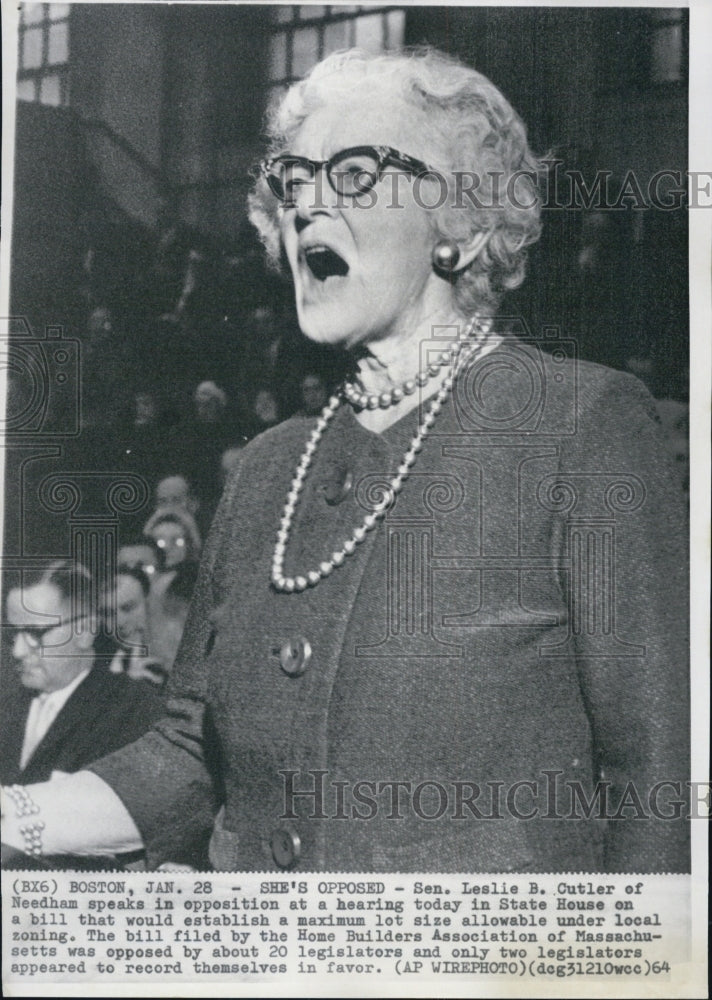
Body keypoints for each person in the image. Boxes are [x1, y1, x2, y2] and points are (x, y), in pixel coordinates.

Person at [1, 48, 688, 873]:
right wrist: (18, 817)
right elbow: (189, 756)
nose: (305, 208)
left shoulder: (579, 426)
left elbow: (657, 771)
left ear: (461, 225)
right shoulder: (266, 471)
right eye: (291, 185)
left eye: (355, 175)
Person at [0, 560, 162, 787]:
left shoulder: (132, 712)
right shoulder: (6, 706)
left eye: (34, 633)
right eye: (13, 634)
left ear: (84, 631)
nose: (18, 651)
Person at [99, 566, 168, 687]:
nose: (119, 622)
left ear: (150, 605)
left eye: (128, 608)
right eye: (108, 614)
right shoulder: (98, 669)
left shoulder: (174, 657)